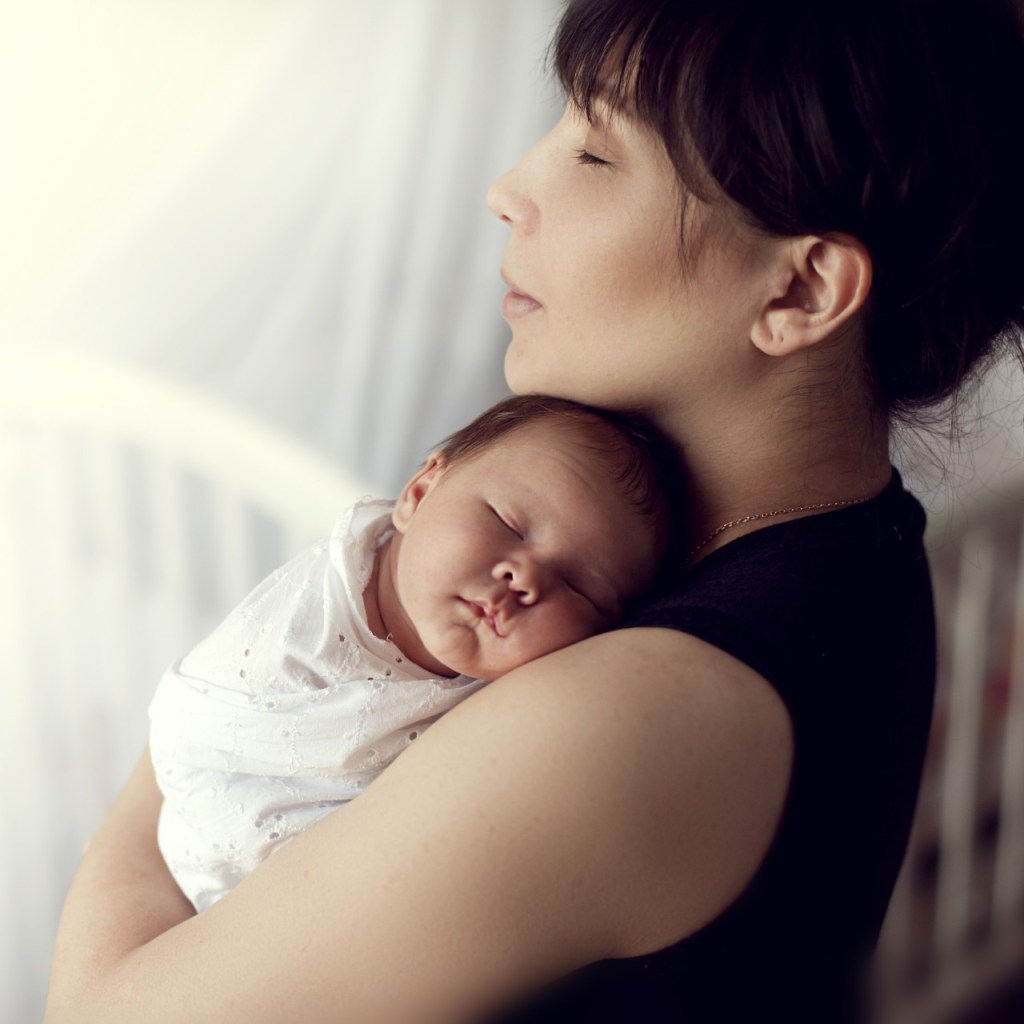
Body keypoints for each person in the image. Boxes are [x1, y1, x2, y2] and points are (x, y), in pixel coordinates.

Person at [45, 1, 1024, 1022]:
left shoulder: (629, 717)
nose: (507, 190)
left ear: (802, 290)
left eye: (595, 154)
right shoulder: (859, 541)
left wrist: (208, 709)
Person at [148, 395, 672, 911]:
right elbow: (196, 735)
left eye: (579, 587)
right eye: (508, 524)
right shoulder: (302, 629)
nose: (524, 577)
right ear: (419, 494)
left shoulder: (529, 701)